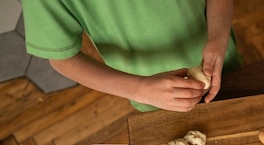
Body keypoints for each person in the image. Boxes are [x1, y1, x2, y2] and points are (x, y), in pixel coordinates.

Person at [22, 0, 243, 112]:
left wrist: (218, 36)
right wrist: (140, 89)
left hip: (222, 62)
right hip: (153, 97)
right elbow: (62, 59)